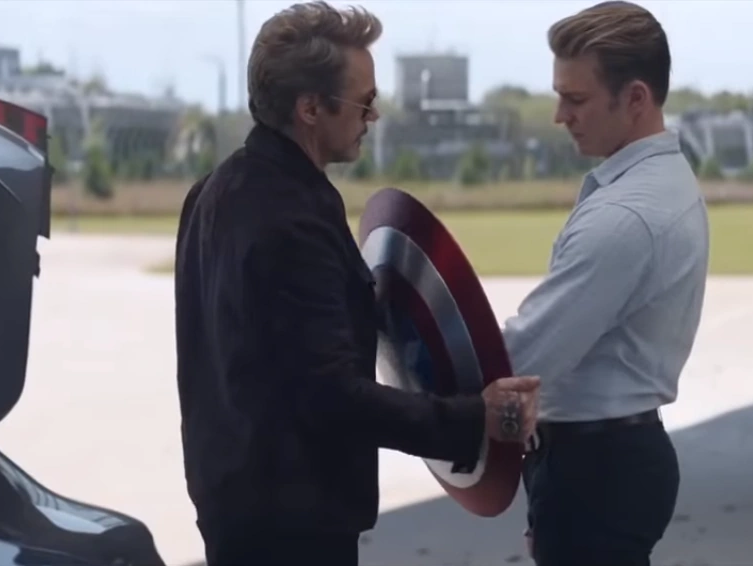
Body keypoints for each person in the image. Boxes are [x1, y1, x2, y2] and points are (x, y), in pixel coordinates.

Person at [173, 2, 541, 565]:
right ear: (310, 109)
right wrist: (477, 417)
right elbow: (330, 396)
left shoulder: (212, 190)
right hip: (293, 524)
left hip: (232, 498)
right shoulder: (292, 219)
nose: (374, 115)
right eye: (363, 102)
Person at [502, 2, 710, 565]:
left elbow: (522, 357)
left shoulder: (626, 215)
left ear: (636, 98)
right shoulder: (665, 181)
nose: (559, 115)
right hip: (609, 459)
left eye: (576, 99)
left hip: (595, 470)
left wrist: (413, 352)